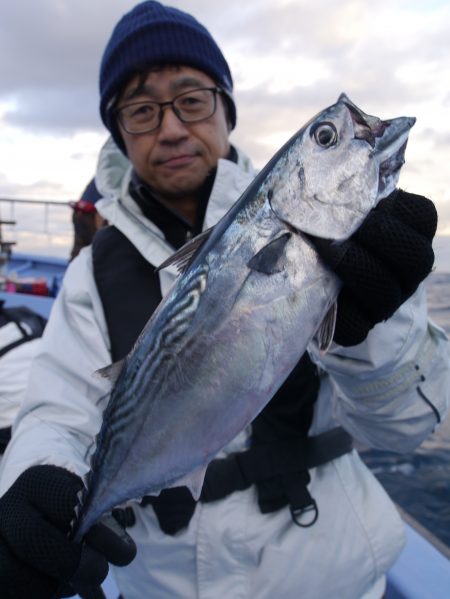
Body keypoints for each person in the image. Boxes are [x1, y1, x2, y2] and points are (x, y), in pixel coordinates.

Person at [0, 2, 448, 598]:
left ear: (225, 109)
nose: (172, 128)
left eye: (192, 98)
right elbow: (56, 413)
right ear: (120, 135)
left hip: (328, 575)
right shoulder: (89, 275)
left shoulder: (344, 243)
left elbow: (408, 430)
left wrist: (382, 326)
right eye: (140, 111)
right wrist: (38, 479)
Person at [69, 178, 105, 261]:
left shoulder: (102, 172)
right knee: (97, 250)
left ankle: (73, 271)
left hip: (79, 212)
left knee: (79, 250)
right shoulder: (122, 171)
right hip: (91, 215)